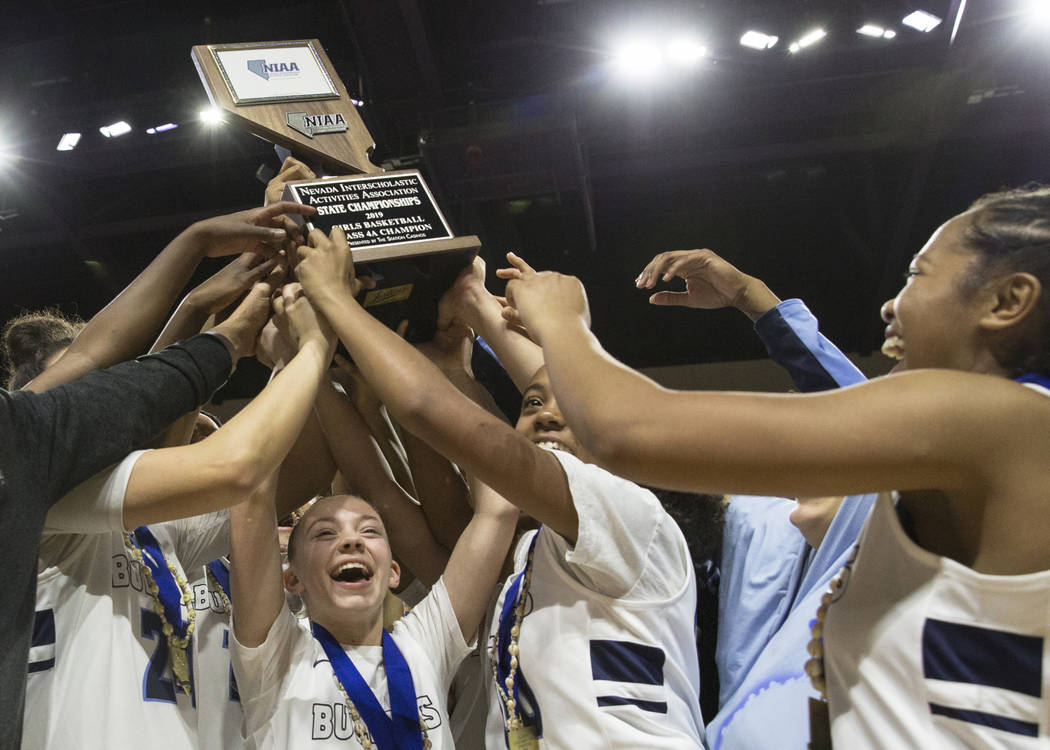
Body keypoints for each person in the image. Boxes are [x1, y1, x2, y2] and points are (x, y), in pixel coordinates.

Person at [499, 185, 1050, 747]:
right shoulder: (965, 460)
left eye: (917, 273)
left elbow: (625, 432)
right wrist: (755, 302)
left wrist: (564, 322)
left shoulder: (1000, 422)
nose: (891, 303)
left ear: (1007, 301)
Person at [295, 229, 705, 749]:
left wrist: (334, 298)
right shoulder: (534, 557)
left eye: (573, 414)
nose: (547, 418)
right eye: (529, 406)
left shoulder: (629, 514)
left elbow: (435, 414)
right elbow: (445, 510)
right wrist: (457, 347)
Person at [23, 282, 336, 748]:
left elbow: (304, 468)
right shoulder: (41, 496)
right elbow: (231, 465)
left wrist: (204, 310)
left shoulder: (149, 531)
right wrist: (305, 348)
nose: (94, 407)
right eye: (74, 398)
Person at [227, 289, 519, 750]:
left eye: (370, 531)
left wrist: (446, 368)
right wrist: (292, 360)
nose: (352, 541)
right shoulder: (277, 654)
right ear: (292, 577)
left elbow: (499, 507)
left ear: (394, 570)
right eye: (326, 533)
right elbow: (251, 495)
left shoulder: (425, 641)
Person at [635, 248, 878, 747]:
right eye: (790, 458)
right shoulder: (749, 530)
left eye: (820, 452)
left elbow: (867, 426)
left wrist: (755, 301)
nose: (798, 472)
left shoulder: (900, 544)